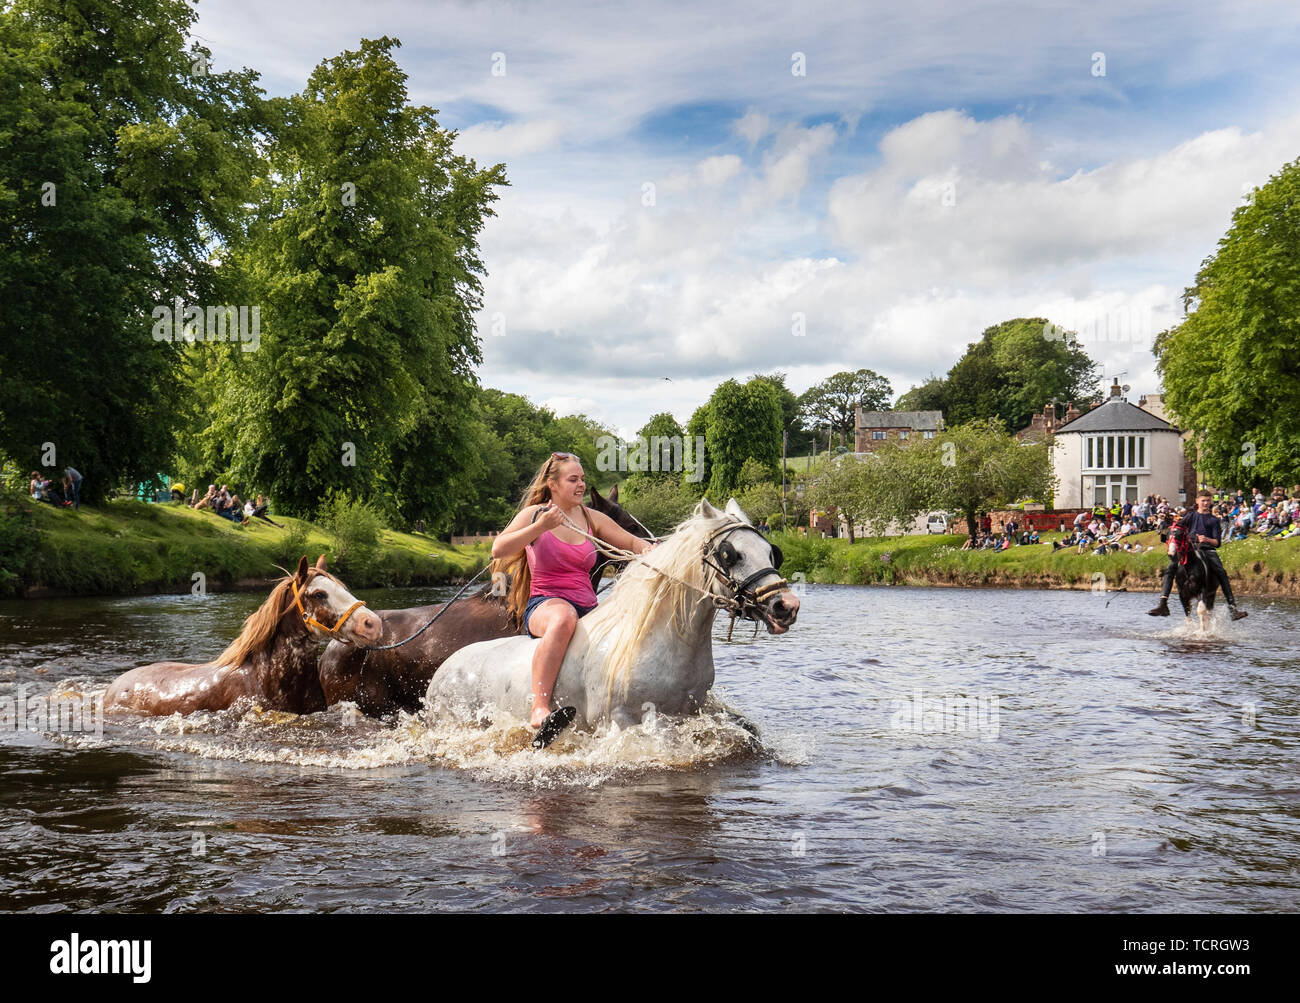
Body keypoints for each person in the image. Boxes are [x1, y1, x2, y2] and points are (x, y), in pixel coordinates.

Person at [492, 452, 655, 745]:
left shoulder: (592, 518)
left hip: (589, 608)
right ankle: (539, 707)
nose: (581, 485)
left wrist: (650, 550)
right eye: (573, 479)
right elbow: (499, 549)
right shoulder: (535, 515)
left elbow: (630, 541)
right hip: (546, 604)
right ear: (553, 484)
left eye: (582, 479)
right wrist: (539, 527)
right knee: (563, 618)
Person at [1149, 490, 1246, 620]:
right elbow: (1177, 528)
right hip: (1189, 549)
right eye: (1203, 501)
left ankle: (1233, 609)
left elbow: (1217, 542)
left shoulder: (1214, 520)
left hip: (1207, 550)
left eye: (1207, 501)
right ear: (1197, 501)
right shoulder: (1190, 516)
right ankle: (1163, 604)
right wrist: (1167, 522)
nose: (1205, 503)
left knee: (1221, 572)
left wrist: (1206, 539)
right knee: (1171, 567)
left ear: (1210, 501)